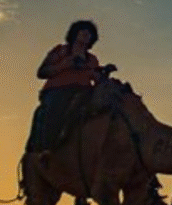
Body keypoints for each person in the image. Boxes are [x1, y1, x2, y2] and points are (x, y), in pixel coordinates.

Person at [25, 20, 115, 153]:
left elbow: (95, 78)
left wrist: (104, 73)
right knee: (56, 110)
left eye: (89, 32)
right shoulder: (60, 51)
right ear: (75, 33)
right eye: (82, 31)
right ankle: (46, 149)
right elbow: (42, 72)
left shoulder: (92, 59)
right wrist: (64, 65)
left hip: (84, 92)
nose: (86, 34)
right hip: (58, 91)